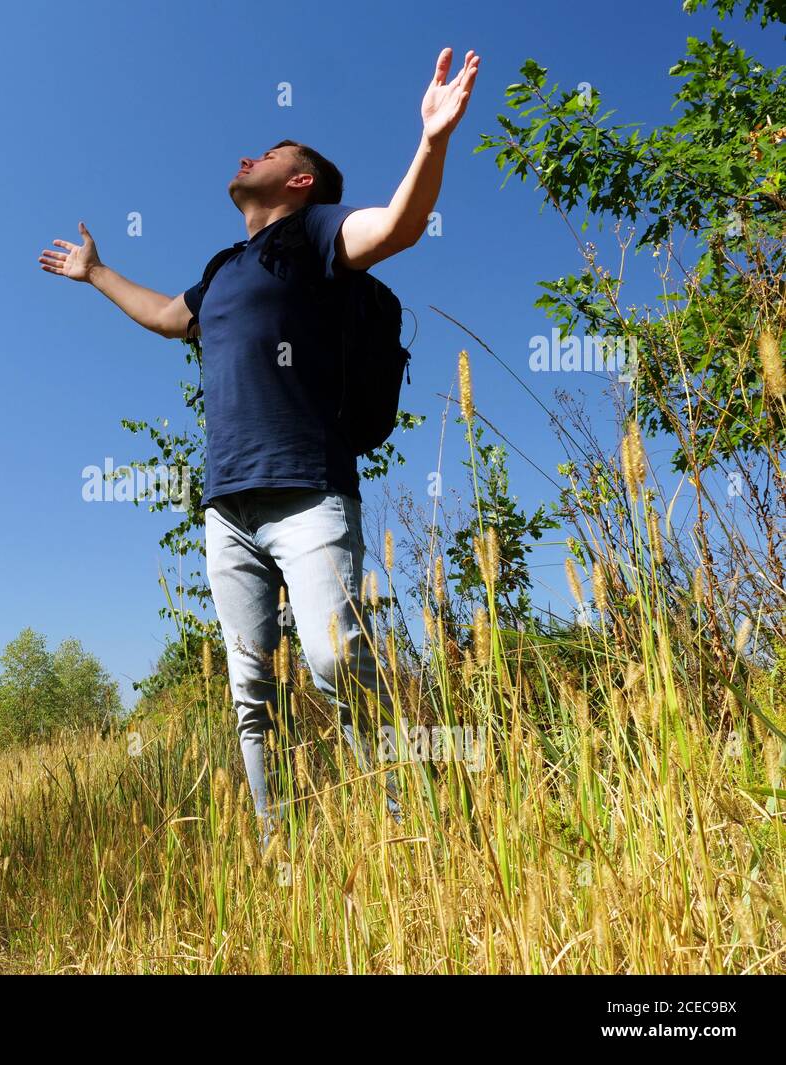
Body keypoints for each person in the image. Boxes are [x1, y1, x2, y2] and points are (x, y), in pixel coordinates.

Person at [39, 48, 481, 839]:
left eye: (270, 153)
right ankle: (276, 846)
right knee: (251, 691)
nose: (249, 156)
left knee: (334, 660)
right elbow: (170, 317)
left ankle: (408, 827)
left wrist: (432, 140)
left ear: (300, 181)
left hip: (309, 490)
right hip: (227, 506)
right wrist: (98, 273)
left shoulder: (314, 233)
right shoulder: (222, 268)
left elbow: (396, 227)